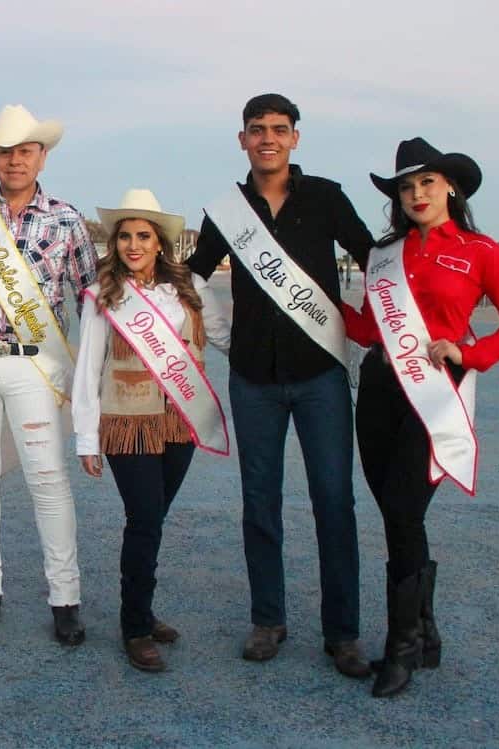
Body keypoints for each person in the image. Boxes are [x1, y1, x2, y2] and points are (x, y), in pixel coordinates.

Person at [187, 93, 374, 677]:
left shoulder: (326, 197)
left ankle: (342, 633)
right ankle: (268, 619)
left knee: (334, 503)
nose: (268, 137)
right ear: (242, 139)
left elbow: (376, 260)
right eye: (256, 129)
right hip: (253, 380)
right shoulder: (227, 209)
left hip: (320, 376)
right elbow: (191, 274)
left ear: (295, 137)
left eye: (279, 129)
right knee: (259, 505)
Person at [344, 137, 499, 697]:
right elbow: (368, 327)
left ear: (449, 186)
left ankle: (402, 647)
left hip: (435, 391)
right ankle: (424, 633)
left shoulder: (480, 251)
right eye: (406, 186)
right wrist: (321, 310)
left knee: (404, 510)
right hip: (380, 388)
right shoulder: (385, 254)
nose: (416, 194)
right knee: (396, 515)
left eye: (426, 182)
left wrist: (468, 353)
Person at [0, 104, 98, 644]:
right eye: (5, 151)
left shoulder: (66, 219)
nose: (14, 160)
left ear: (42, 156)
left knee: (48, 480)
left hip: (34, 361)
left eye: (24, 151)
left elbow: (92, 298)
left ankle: (65, 596)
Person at [73, 189, 230, 671]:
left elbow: (224, 337)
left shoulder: (189, 289)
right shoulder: (103, 294)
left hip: (179, 421)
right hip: (128, 423)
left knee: (154, 519)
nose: (133, 245)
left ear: (160, 241)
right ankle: (135, 627)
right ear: (115, 242)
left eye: (143, 235)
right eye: (125, 236)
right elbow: (87, 367)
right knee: (142, 519)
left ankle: (143, 609)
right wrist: (85, 436)